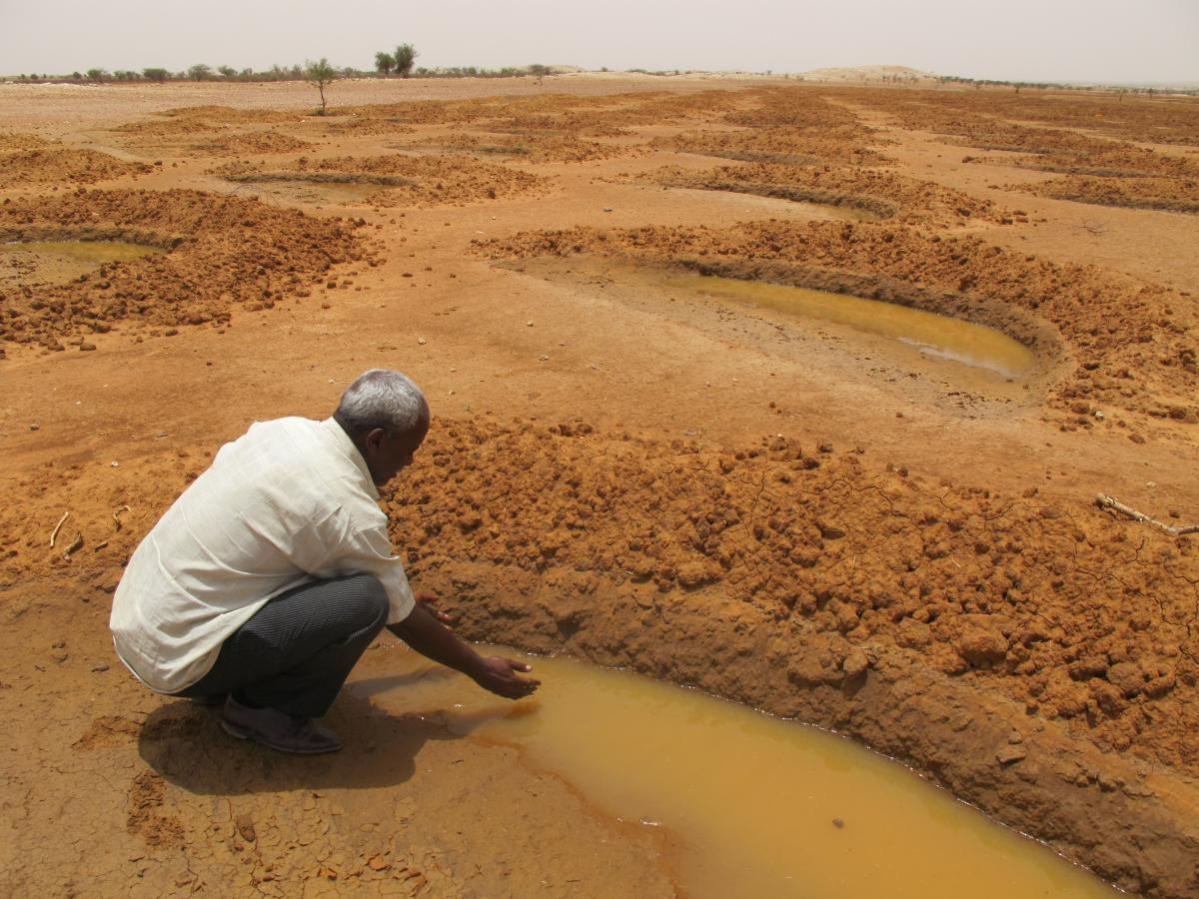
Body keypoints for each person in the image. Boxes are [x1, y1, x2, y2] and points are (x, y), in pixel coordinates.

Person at [109, 369, 538, 754]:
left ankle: (232, 679)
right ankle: (264, 711)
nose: (410, 462)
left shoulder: (282, 431)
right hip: (178, 660)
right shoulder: (345, 508)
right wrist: (480, 670)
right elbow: (397, 615)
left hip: (142, 619)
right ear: (376, 440)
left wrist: (402, 600)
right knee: (367, 600)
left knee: (365, 590)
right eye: (408, 450)